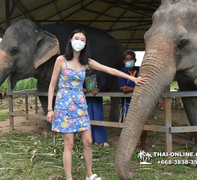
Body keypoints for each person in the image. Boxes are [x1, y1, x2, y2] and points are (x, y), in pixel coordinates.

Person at [47, 30, 147, 180]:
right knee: (69, 144)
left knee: (88, 141)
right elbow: (52, 84)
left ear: (85, 43)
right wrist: (50, 109)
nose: (79, 41)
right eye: (76, 38)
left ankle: (89, 174)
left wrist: (132, 79)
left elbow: (110, 70)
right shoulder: (61, 60)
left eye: (82, 39)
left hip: (80, 103)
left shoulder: (86, 62)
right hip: (64, 104)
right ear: (70, 40)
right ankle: (69, 178)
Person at [118, 49, 149, 151]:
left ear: (135, 60)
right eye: (127, 59)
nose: (129, 61)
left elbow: (147, 84)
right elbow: (124, 89)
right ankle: (129, 147)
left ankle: (143, 144)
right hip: (128, 103)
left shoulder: (140, 70)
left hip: (141, 102)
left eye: (131, 59)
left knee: (144, 124)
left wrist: (133, 89)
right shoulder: (122, 73)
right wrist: (139, 88)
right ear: (124, 61)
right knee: (129, 126)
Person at [83, 67, 109, 147]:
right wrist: (83, 90)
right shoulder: (83, 74)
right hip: (86, 100)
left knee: (98, 118)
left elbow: (104, 83)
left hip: (97, 99)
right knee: (89, 120)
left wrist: (99, 90)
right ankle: (93, 140)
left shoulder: (98, 73)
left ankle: (103, 140)